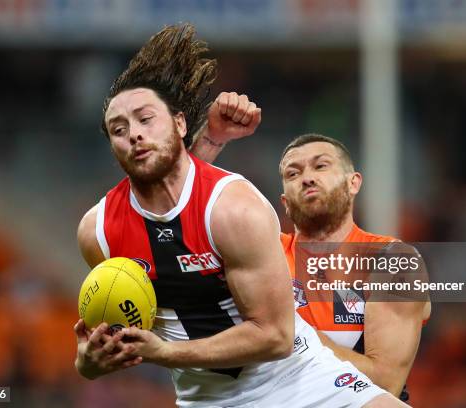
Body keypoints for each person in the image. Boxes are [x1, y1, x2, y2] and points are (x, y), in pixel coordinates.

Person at [73, 24, 408, 407]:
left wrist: (164, 353)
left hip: (300, 378)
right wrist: (89, 362)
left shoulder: (235, 207)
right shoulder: (97, 232)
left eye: (145, 119)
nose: (133, 134)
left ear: (180, 124)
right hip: (207, 400)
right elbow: (100, 350)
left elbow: (275, 337)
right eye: (119, 129)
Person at [195, 130, 431, 402]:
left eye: (321, 166)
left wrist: (285, 331)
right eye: (293, 174)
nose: (306, 178)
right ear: (284, 202)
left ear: (353, 183)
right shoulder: (262, 255)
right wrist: (210, 140)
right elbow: (184, 218)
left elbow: (385, 382)